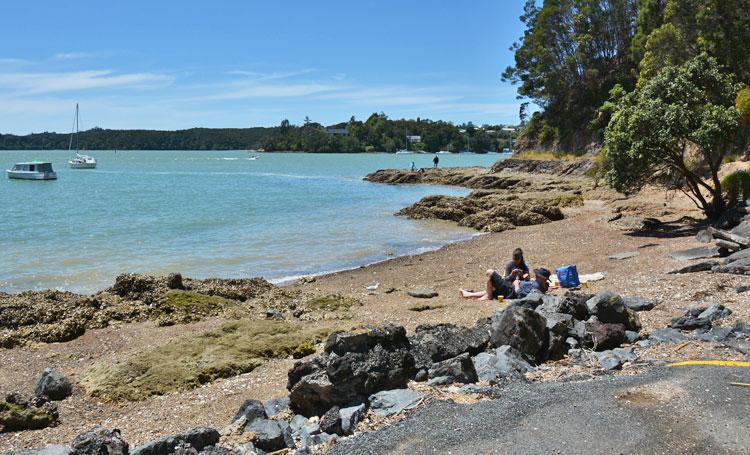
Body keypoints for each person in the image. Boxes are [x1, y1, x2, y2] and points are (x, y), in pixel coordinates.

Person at [460, 267, 551, 301]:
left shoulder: (536, 287)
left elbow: (520, 295)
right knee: (490, 289)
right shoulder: (539, 284)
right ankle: (468, 294)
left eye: (537, 275)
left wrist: (516, 284)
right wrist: (523, 278)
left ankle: (488, 296)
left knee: (490, 272)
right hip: (508, 288)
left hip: (508, 290)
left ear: (542, 278)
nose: (536, 275)